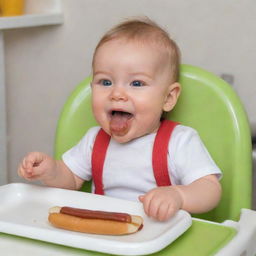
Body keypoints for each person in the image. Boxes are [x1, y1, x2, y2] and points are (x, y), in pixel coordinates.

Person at [18, 17, 222, 222]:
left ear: (168, 98)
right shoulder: (94, 140)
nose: (117, 93)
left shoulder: (179, 141)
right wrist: (50, 170)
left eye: (136, 83)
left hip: (160, 237)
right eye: (105, 82)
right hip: (104, 234)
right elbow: (70, 179)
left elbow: (210, 189)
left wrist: (178, 195)